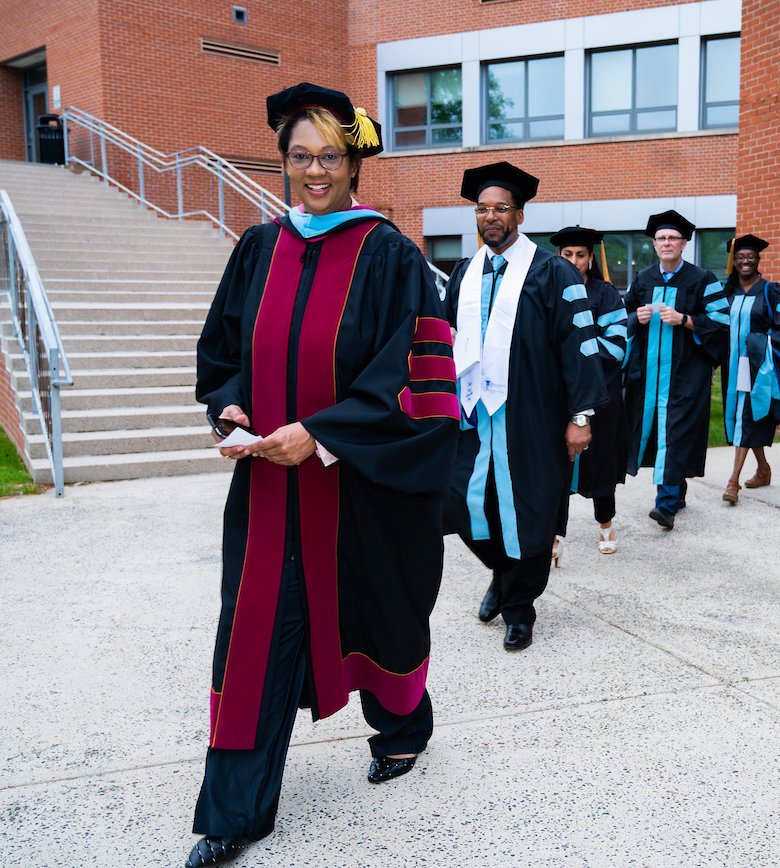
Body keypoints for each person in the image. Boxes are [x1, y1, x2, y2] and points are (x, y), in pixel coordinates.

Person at [189, 83, 459, 867]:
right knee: (252, 632)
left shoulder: (390, 257)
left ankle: (404, 727)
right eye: (300, 156)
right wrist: (232, 409)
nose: (315, 171)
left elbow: (418, 380)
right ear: (282, 160)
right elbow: (221, 353)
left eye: (330, 157)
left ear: (354, 163)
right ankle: (234, 811)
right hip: (270, 489)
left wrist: (323, 436)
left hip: (360, 487)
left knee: (381, 615)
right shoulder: (258, 250)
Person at [444, 162, 606, 651]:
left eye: (501, 208)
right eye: (483, 208)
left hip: (532, 414)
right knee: (464, 504)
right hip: (473, 415)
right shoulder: (464, 271)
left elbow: (579, 343)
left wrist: (581, 417)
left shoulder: (551, 270)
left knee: (529, 511)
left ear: (519, 214)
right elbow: (447, 335)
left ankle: (519, 608)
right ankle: (503, 573)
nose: (490, 216)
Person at [624, 210, 729, 530]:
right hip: (648, 375)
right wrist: (635, 319)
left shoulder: (702, 280)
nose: (666, 243)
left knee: (675, 432)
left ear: (684, 243)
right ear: (654, 245)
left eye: (673, 238)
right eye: (661, 238)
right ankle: (677, 491)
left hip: (685, 377)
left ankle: (665, 505)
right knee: (659, 434)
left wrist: (685, 320)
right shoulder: (643, 279)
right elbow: (622, 317)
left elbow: (722, 323)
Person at [549, 226, 628, 554]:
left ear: (591, 258)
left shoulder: (606, 294)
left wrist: (574, 346)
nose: (574, 260)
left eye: (581, 254)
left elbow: (618, 346)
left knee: (601, 462)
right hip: (557, 394)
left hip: (600, 394)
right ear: (558, 257)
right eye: (567, 254)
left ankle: (605, 524)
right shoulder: (548, 291)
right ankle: (552, 534)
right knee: (553, 466)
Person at [720, 234, 780, 504]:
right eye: (741, 257)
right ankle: (764, 469)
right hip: (731, 366)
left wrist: (763, 345)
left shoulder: (771, 291)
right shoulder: (727, 292)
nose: (745, 261)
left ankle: (733, 482)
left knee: (746, 417)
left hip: (757, 367)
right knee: (746, 418)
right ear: (734, 260)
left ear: (758, 259)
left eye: (751, 257)